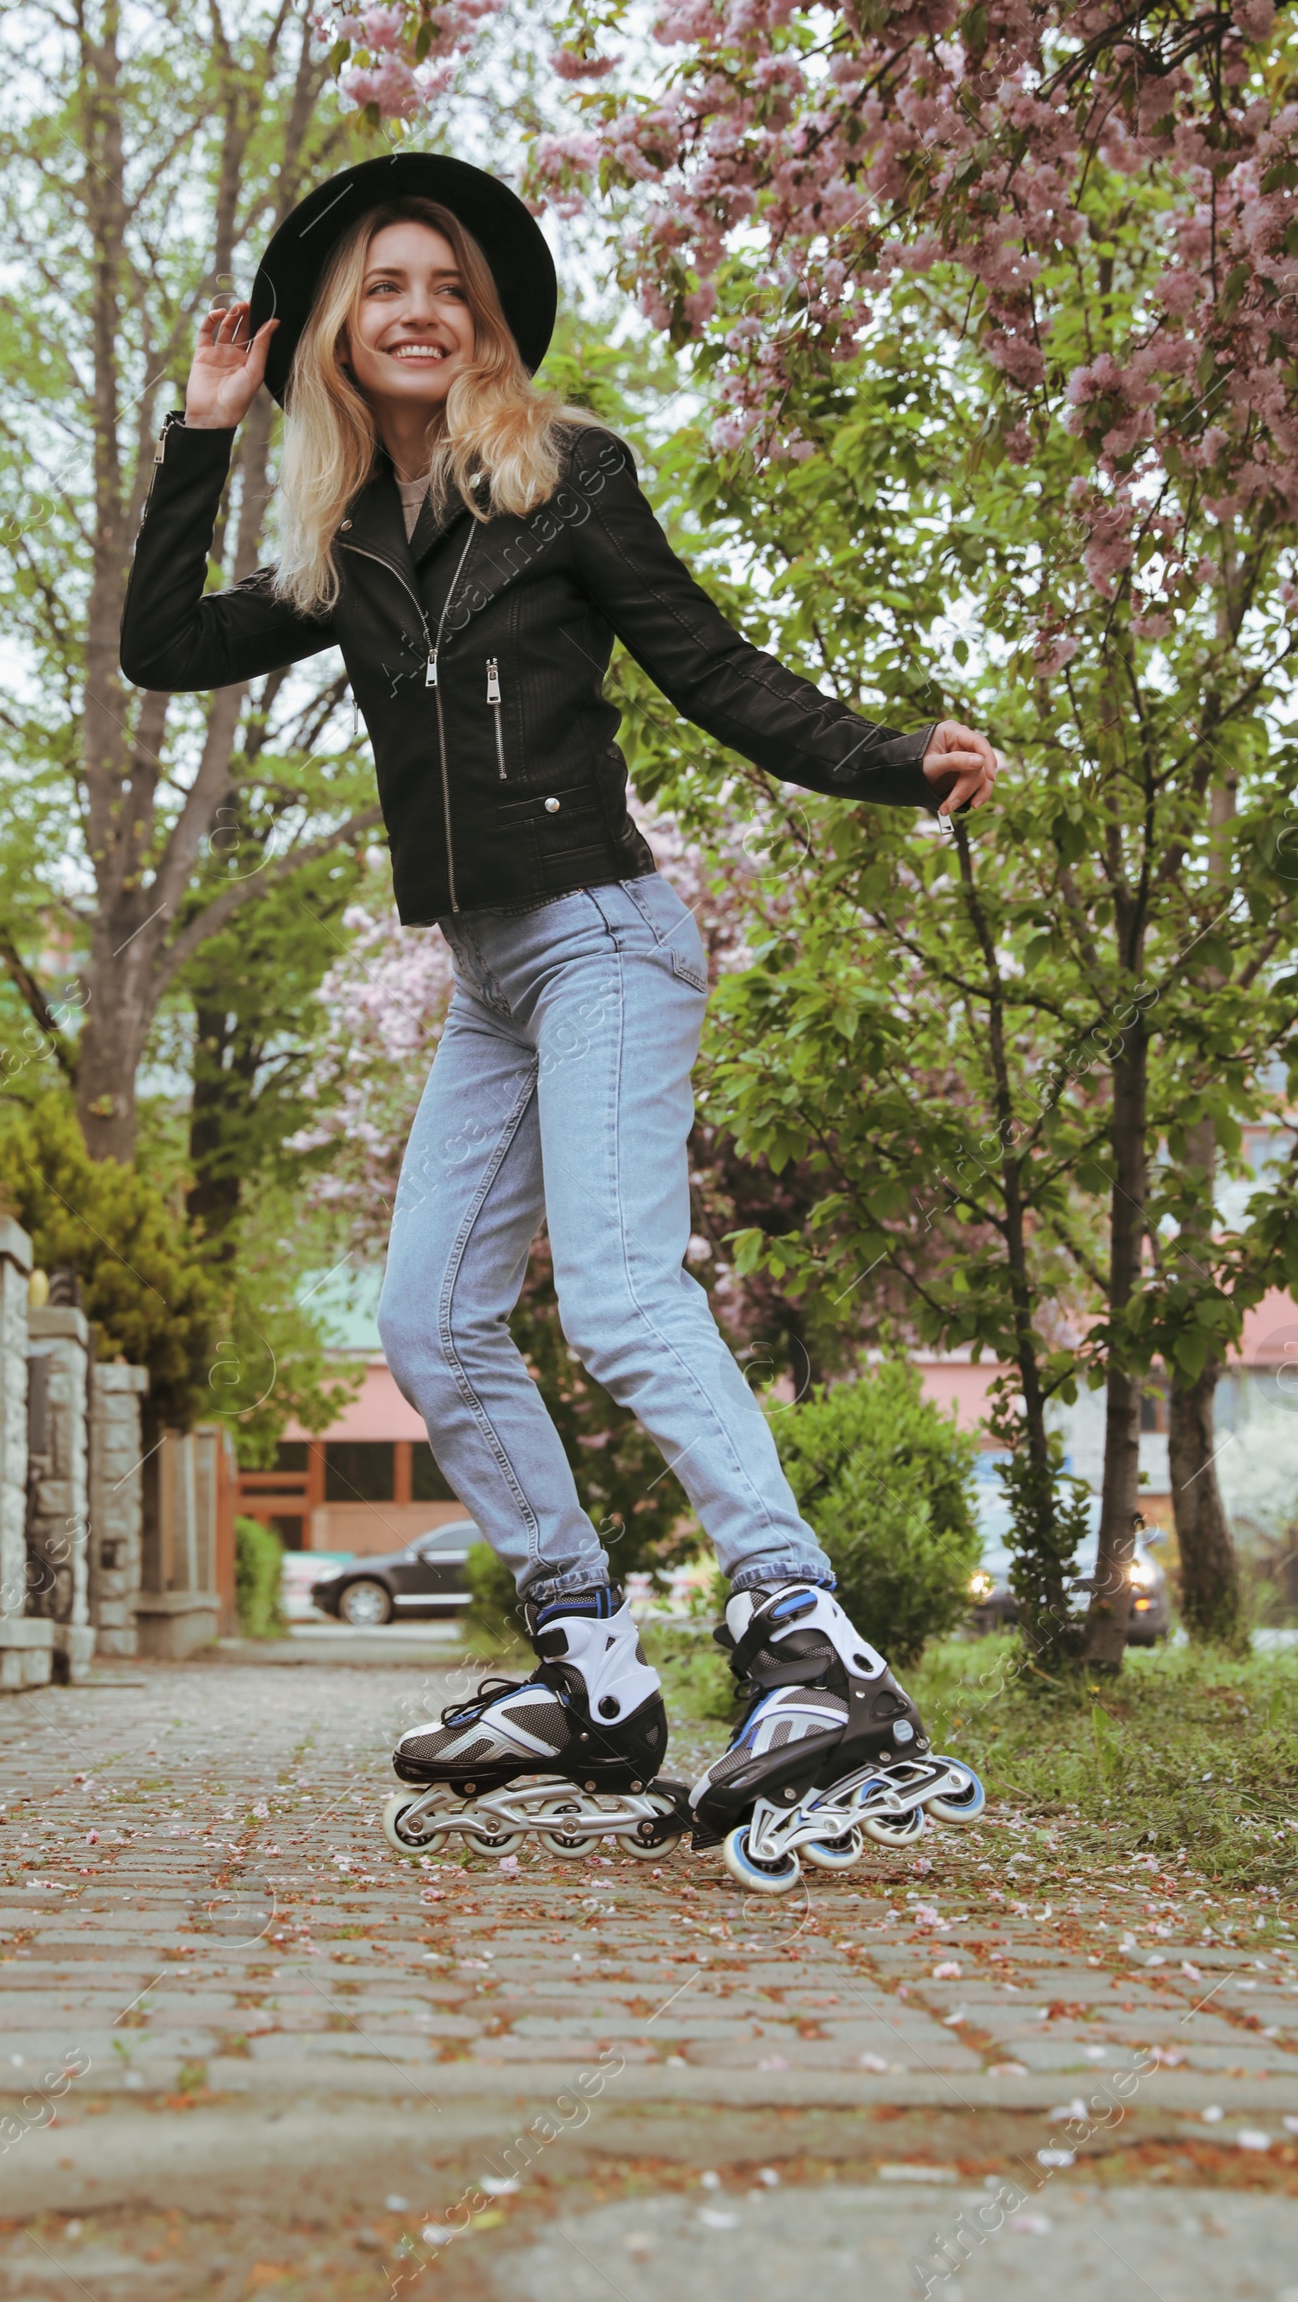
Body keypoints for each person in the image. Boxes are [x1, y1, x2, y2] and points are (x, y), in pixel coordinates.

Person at [120, 154, 996, 1888]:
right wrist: (200, 430)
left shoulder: (571, 478)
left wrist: (899, 761)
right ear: (339, 337)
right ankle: (594, 1666)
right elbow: (159, 647)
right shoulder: (350, 540)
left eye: (447, 285)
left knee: (611, 1285)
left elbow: (715, 669)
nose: (420, 311)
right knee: (430, 1320)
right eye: (385, 288)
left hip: (605, 942)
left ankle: (812, 1644)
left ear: (486, 319)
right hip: (491, 980)